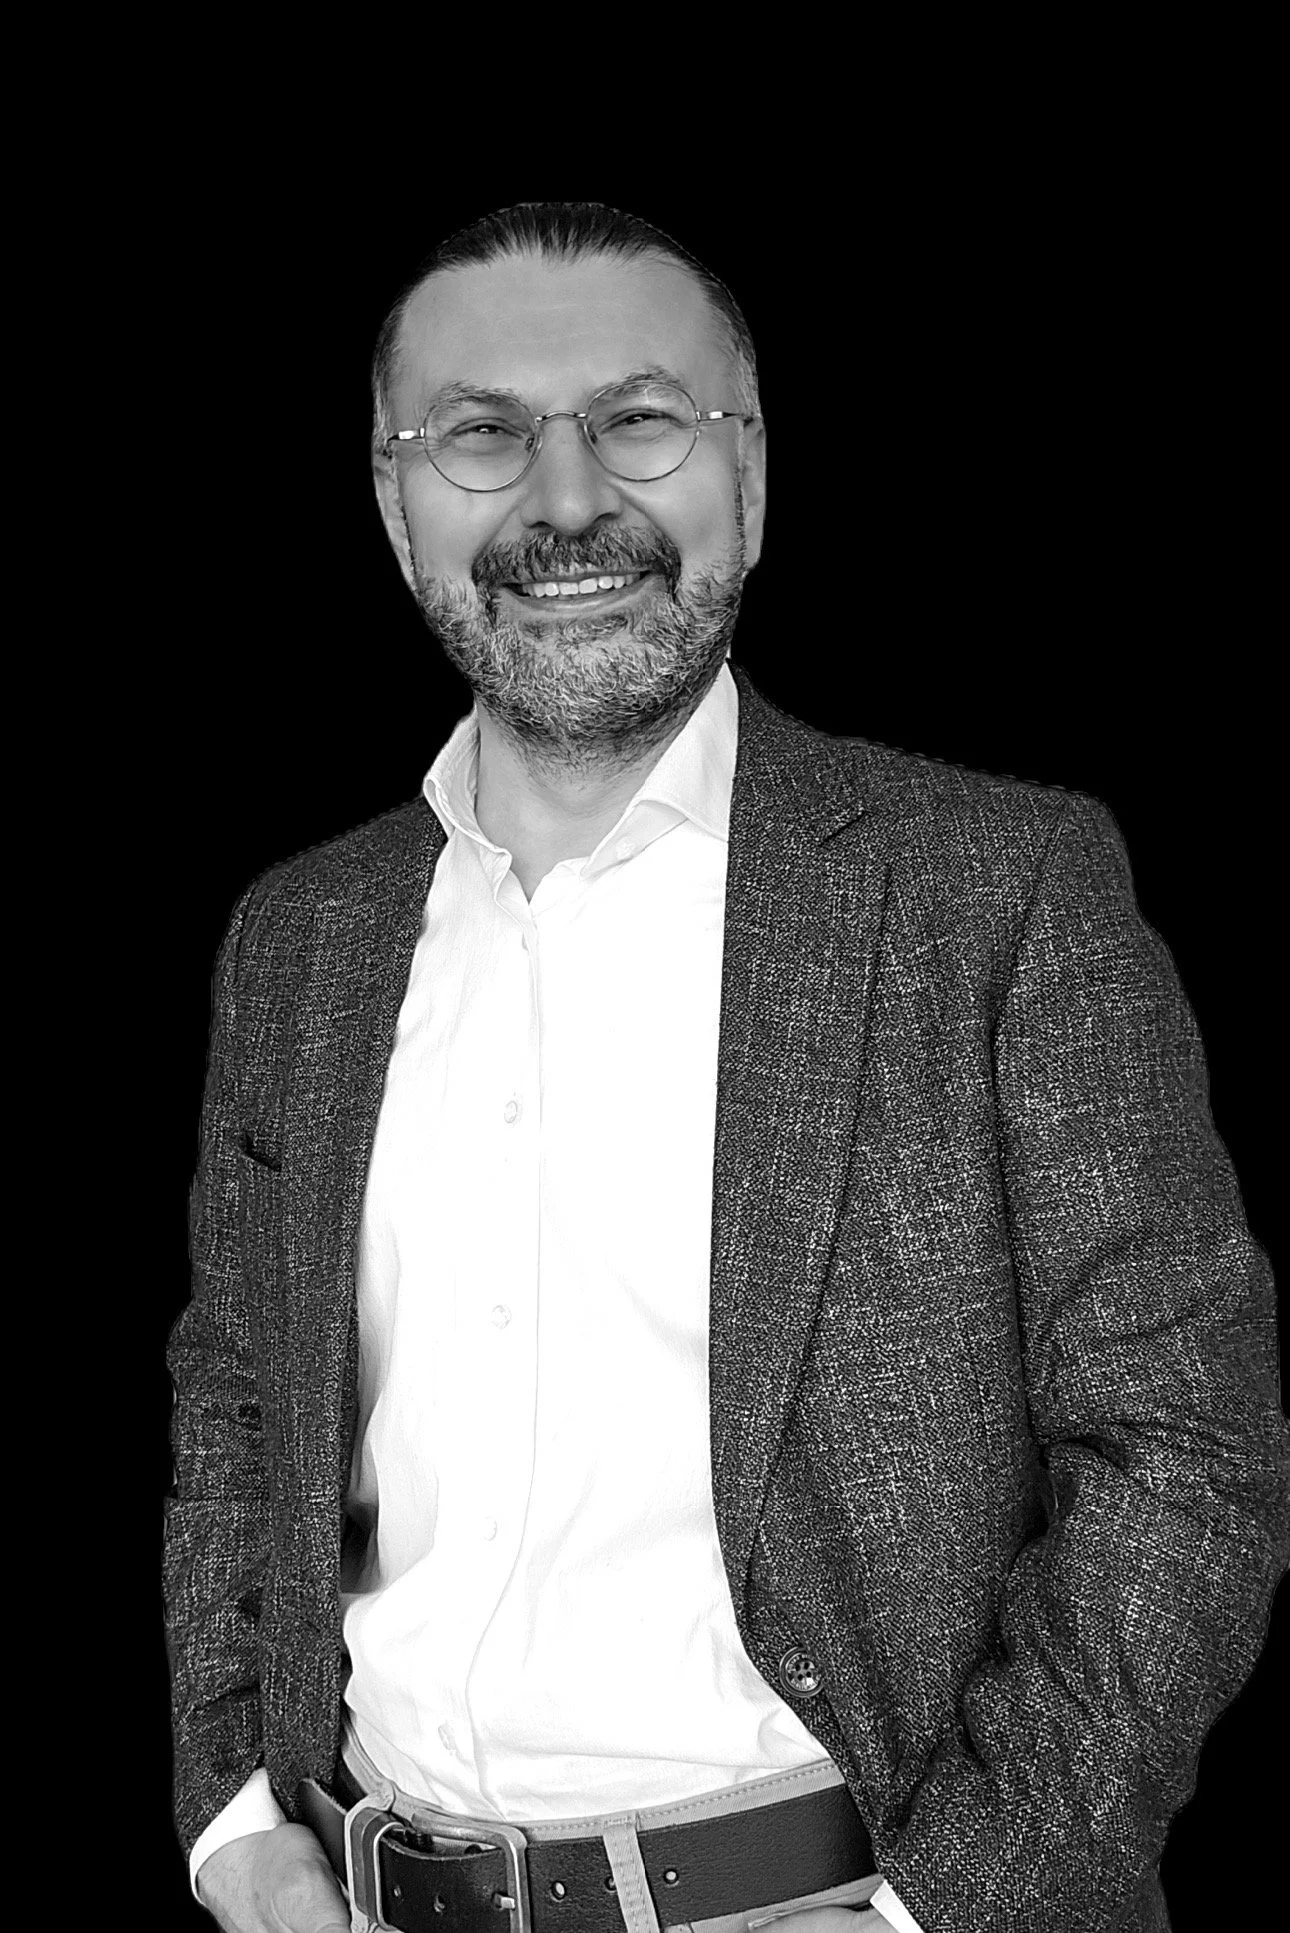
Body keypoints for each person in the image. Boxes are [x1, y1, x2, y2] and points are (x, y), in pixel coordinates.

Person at [165, 200, 1288, 1933]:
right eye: (480, 434)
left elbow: (1183, 1457)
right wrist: (237, 1822)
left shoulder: (994, 896)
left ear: (748, 480)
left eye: (636, 419)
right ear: (396, 506)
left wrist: (942, 1910)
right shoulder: (298, 944)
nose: (562, 502)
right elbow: (236, 1414)